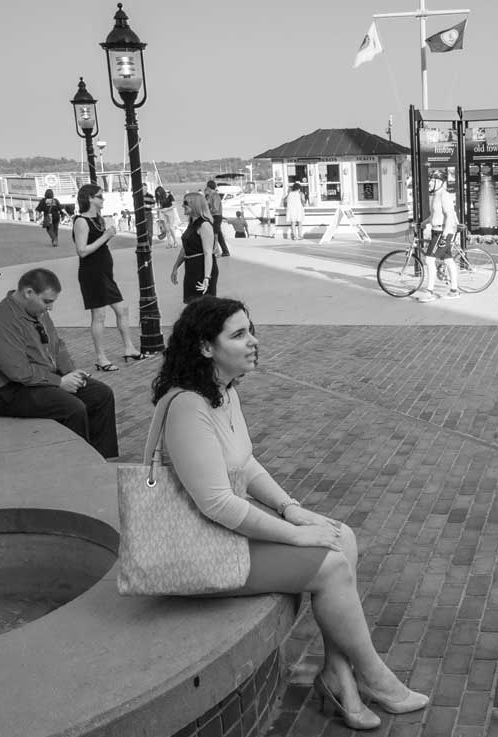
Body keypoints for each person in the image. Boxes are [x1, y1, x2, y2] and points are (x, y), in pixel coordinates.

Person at [153, 296, 428, 730]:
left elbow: (245, 464)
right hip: (198, 551)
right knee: (332, 565)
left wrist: (292, 509)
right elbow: (216, 502)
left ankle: (339, 675)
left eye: (251, 330)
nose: (253, 342)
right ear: (206, 347)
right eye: (239, 334)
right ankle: (373, 675)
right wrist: (293, 534)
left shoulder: (222, 392)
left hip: (224, 535)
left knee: (342, 534)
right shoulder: (188, 406)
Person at [0, 268, 118, 459]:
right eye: (47, 301)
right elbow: (18, 371)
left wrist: (71, 373)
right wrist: (59, 382)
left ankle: (103, 458)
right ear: (28, 293)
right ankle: (77, 464)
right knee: (72, 408)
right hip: (7, 391)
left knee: (101, 394)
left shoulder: (37, 311)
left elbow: (57, 345)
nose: (50, 308)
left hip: (38, 380)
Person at [72, 183, 144, 372]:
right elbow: (82, 251)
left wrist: (106, 237)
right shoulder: (81, 221)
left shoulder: (98, 219)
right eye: (100, 196)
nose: (103, 199)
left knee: (122, 310)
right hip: (91, 273)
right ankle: (101, 357)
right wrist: (106, 236)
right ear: (89, 198)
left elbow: (99, 246)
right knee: (100, 314)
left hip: (105, 273)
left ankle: (129, 347)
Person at [413, 170, 461, 302]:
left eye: (432, 180)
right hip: (437, 231)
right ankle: (454, 290)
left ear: (440, 182)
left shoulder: (444, 195)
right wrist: (422, 223)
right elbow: (434, 215)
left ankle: (430, 292)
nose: (429, 183)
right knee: (448, 260)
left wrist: (445, 235)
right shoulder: (436, 195)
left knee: (429, 259)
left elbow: (450, 216)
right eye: (430, 180)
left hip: (442, 232)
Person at [172, 191, 218, 304]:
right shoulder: (192, 224)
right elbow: (185, 248)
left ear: (194, 204)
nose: (183, 205)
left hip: (202, 268)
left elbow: (208, 253)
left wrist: (207, 277)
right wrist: (175, 267)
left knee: (203, 306)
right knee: (192, 304)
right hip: (191, 268)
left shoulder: (204, 225)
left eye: (185, 203)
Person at [205, 180, 230, 257]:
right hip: (214, 216)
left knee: (215, 235)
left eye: (207, 187)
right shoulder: (211, 195)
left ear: (209, 187)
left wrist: (208, 211)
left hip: (216, 216)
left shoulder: (215, 195)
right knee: (218, 235)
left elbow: (215, 208)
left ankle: (217, 252)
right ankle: (225, 251)